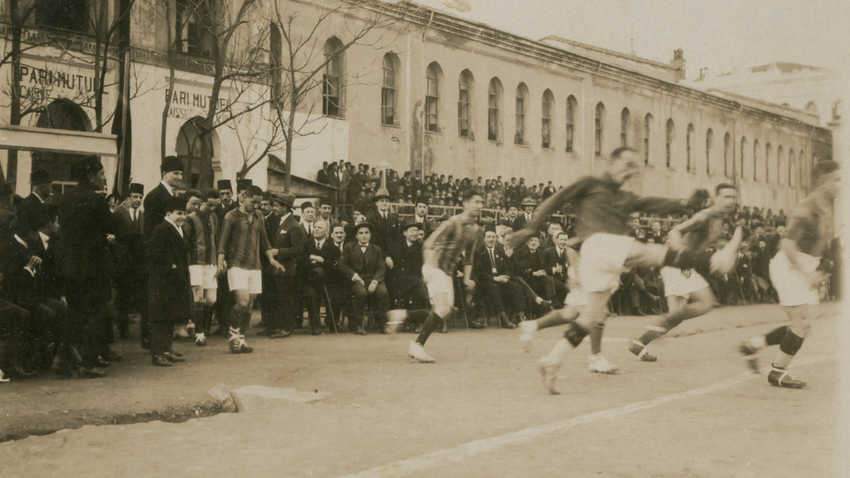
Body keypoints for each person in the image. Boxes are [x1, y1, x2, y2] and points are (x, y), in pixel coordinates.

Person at [512, 147, 701, 379]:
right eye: (627, 164)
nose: (631, 172)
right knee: (649, 252)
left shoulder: (625, 197)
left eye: (635, 168)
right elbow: (554, 200)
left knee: (591, 317)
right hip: (596, 247)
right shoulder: (589, 183)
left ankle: (552, 361)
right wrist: (530, 227)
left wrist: (684, 204)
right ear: (611, 163)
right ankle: (710, 261)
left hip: (606, 261)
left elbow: (651, 203)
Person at [739, 160, 839, 389]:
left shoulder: (826, 206)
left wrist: (818, 268)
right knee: (802, 324)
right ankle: (778, 372)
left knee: (803, 324)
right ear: (823, 180)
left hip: (803, 268)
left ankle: (753, 345)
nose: (841, 185)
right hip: (789, 267)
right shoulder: (807, 207)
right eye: (837, 180)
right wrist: (807, 273)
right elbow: (786, 243)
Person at [628, 184, 743, 361]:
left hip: (685, 267)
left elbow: (707, 242)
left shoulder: (721, 221)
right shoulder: (704, 216)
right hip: (677, 265)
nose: (730, 202)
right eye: (726, 197)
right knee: (704, 303)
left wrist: (725, 250)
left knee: (679, 316)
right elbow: (675, 231)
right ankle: (658, 324)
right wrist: (680, 252)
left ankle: (640, 342)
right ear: (715, 199)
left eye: (733, 198)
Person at [386, 190, 483, 363]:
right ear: (466, 203)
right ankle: (417, 346)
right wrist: (427, 268)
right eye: (476, 202)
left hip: (447, 272)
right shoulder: (453, 222)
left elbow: (469, 258)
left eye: (481, 202)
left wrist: (467, 278)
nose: (479, 206)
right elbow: (429, 244)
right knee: (443, 308)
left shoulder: (475, 229)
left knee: (443, 311)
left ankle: (401, 315)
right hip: (434, 266)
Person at [58, 157, 121, 378]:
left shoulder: (65, 198)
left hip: (71, 267)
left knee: (74, 313)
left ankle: (62, 360)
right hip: (94, 268)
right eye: (101, 173)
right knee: (95, 314)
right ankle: (88, 363)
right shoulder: (96, 201)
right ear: (90, 175)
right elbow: (111, 225)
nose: (104, 177)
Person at [218, 185, 285, 353]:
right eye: (253, 202)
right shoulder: (231, 216)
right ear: (244, 197)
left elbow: (264, 241)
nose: (256, 206)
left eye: (259, 203)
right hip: (237, 265)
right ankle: (233, 333)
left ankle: (240, 340)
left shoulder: (259, 216)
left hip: (255, 266)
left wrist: (272, 260)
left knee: (250, 305)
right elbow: (222, 243)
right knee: (242, 302)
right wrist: (220, 261)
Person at [147, 196, 192, 367]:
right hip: (163, 280)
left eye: (184, 213)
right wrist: (171, 265)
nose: (182, 216)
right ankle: (157, 353)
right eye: (179, 213)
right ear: (168, 213)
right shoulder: (162, 229)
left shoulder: (179, 228)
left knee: (170, 315)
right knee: (161, 317)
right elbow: (153, 252)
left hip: (175, 280)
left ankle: (167, 349)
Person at [261, 192, 305, 337]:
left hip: (286, 270)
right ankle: (273, 327)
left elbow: (298, 249)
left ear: (285, 208)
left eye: (276, 206)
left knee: (285, 300)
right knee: (273, 299)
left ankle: (286, 328)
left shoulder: (294, 226)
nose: (273, 208)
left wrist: (277, 251)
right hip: (273, 269)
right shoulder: (277, 221)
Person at [183, 188, 220, 346]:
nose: (212, 208)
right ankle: (199, 332)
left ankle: (200, 325)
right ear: (202, 202)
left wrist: (219, 260)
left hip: (211, 262)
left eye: (214, 206)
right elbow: (185, 241)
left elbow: (216, 239)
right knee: (198, 295)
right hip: (196, 262)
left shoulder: (214, 217)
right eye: (209, 205)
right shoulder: (190, 218)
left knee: (211, 299)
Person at [338, 222, 390, 335]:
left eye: (366, 233)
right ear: (356, 236)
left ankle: (383, 324)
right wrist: (355, 276)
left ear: (370, 235)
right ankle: (358, 324)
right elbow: (342, 265)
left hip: (373, 279)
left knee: (383, 292)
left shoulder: (376, 249)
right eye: (361, 233)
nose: (364, 235)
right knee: (361, 293)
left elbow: (381, 268)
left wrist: (375, 282)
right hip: (356, 280)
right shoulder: (348, 247)